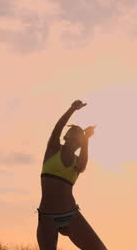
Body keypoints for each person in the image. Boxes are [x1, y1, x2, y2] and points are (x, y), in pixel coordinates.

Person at [37, 100, 107, 250]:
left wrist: (86, 139)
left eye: (77, 141)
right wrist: (72, 109)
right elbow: (58, 128)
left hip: (70, 214)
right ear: (65, 138)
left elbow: (83, 166)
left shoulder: (78, 162)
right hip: (47, 216)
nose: (73, 142)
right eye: (71, 138)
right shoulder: (53, 149)